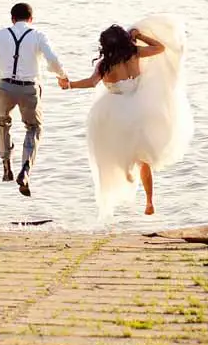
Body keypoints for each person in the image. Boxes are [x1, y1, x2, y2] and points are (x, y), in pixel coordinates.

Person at [59, 15, 193, 218]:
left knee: (113, 149)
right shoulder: (135, 54)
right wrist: (141, 36)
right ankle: (149, 201)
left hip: (115, 112)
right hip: (140, 109)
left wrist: (69, 85)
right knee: (144, 158)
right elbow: (160, 48)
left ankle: (126, 172)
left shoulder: (104, 65)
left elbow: (90, 82)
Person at [0, 2, 68, 197]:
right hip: (28, 89)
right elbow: (53, 60)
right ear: (31, 19)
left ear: (12, 19)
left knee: (2, 123)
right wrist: (61, 76)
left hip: (4, 87)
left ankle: (6, 165)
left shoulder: (1, 34)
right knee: (34, 128)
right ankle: (25, 170)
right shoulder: (38, 35)